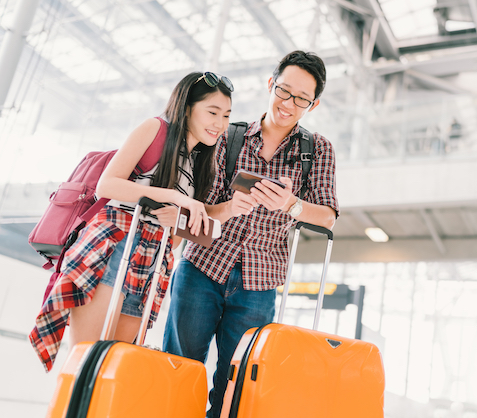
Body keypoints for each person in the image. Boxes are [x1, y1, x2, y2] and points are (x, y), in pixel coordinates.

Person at [163, 50, 339, 418]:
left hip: (258, 285)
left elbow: (328, 218)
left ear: (314, 103)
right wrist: (229, 208)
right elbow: (196, 209)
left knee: (237, 386)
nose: (288, 104)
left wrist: (292, 205)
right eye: (283, 90)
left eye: (302, 99)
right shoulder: (227, 136)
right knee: (179, 369)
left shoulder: (317, 150)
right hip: (201, 269)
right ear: (270, 83)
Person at [29, 71, 234, 372]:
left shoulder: (201, 162)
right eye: (213, 112)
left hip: (152, 263)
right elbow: (107, 185)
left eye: (227, 115)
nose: (220, 124)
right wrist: (175, 198)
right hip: (114, 246)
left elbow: (176, 239)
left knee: (114, 368)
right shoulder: (155, 128)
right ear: (188, 107)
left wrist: (178, 216)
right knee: (84, 364)